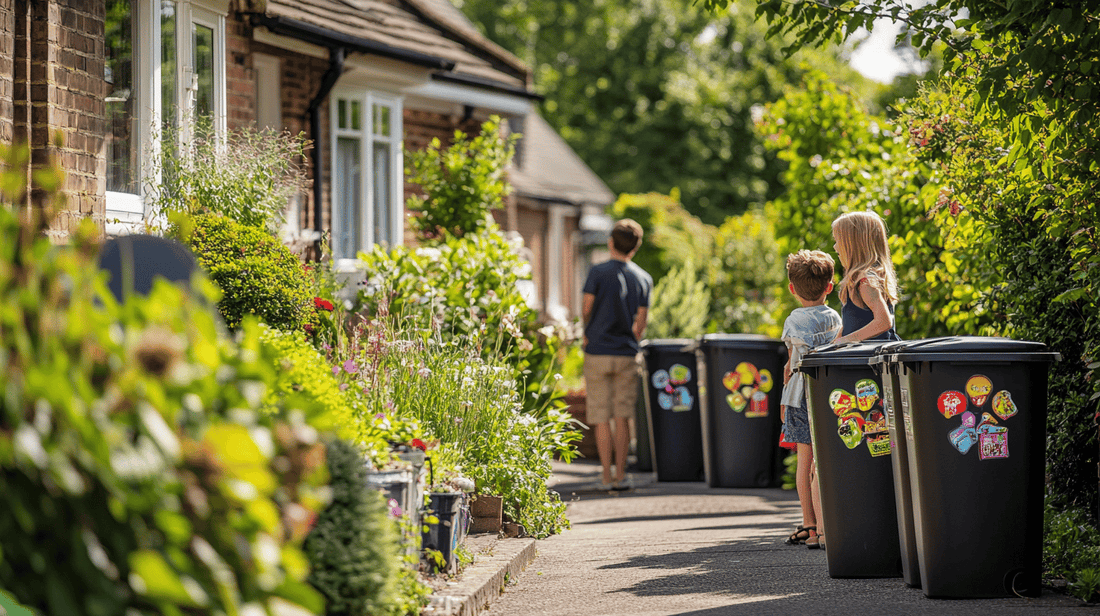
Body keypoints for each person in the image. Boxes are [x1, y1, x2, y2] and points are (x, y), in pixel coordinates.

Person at [582, 219, 652, 491]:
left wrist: (588, 330)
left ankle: (605, 477)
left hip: (597, 351)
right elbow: (641, 322)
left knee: (600, 415)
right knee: (622, 416)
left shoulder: (597, 272)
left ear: (611, 242)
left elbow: (587, 307)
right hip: (626, 353)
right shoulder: (644, 278)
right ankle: (621, 476)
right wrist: (631, 339)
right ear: (635, 248)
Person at [780, 250, 842, 549]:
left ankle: (810, 525)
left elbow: (791, 364)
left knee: (804, 462)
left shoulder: (794, 319)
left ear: (792, 288)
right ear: (830, 286)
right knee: (825, 460)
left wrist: (783, 400)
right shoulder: (834, 317)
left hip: (798, 395)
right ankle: (829, 521)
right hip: (827, 392)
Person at [831, 211, 901, 343]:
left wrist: (846, 340)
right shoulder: (859, 279)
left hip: (871, 359)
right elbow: (851, 324)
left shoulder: (865, 282)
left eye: (837, 241)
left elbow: (883, 322)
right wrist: (834, 342)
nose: (835, 247)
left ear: (853, 244)